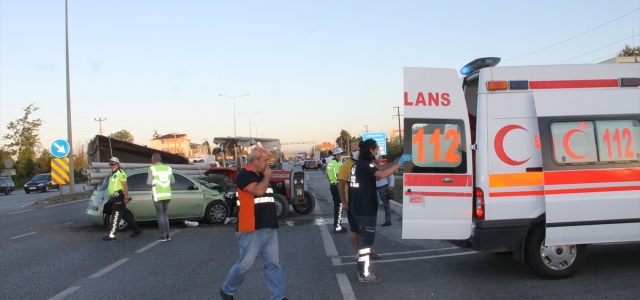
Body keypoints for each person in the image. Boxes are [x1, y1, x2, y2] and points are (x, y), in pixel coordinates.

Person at [220, 147, 287, 300]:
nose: (267, 164)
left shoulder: (261, 175)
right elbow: (258, 191)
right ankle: (227, 290)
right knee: (245, 264)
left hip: (269, 227)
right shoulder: (243, 175)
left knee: (273, 264)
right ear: (255, 160)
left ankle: (278, 296)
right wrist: (267, 178)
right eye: (265, 160)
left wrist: (265, 177)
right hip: (251, 228)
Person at [349, 139, 412, 283]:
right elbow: (382, 175)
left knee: (364, 243)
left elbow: (381, 170)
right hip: (365, 210)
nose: (378, 151)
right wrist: (399, 163)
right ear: (371, 149)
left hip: (358, 208)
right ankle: (363, 275)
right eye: (376, 149)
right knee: (365, 244)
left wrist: (396, 162)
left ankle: (364, 270)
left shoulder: (360, 165)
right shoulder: (364, 165)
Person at [102, 157, 142, 241]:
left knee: (115, 216)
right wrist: (111, 195)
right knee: (125, 215)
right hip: (114, 197)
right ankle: (137, 229)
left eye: (112, 164)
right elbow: (113, 186)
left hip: (119, 197)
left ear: (117, 164)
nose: (111, 165)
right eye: (110, 164)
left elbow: (125, 186)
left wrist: (125, 197)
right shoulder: (113, 173)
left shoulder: (121, 173)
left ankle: (112, 235)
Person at [147, 153, 175, 242]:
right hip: (167, 194)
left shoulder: (152, 169)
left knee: (160, 215)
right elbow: (173, 181)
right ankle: (168, 234)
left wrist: (154, 186)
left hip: (157, 195)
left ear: (153, 160)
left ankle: (163, 235)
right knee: (165, 214)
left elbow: (149, 182)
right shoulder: (168, 168)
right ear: (160, 159)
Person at [326, 147, 345, 233]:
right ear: (336, 155)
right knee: (339, 207)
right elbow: (339, 176)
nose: (340, 155)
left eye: (341, 154)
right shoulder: (336, 163)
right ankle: (337, 226)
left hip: (332, 185)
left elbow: (327, 175)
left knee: (337, 207)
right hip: (337, 186)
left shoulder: (330, 163)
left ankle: (338, 225)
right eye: (339, 154)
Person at [375, 160, 395, 227]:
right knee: (374, 206)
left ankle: (388, 221)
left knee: (386, 205)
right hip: (374, 189)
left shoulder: (384, 167)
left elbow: (391, 176)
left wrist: (391, 185)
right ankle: (372, 221)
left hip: (384, 188)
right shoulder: (371, 166)